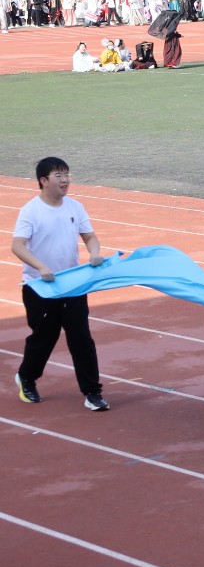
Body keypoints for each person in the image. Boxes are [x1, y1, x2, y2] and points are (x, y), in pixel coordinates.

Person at [12, 157, 109, 410]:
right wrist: (41, 267)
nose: (65, 180)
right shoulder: (31, 210)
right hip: (40, 287)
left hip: (72, 285)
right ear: (43, 181)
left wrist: (94, 253)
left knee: (81, 338)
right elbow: (18, 246)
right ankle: (27, 377)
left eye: (67, 174)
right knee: (44, 338)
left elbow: (90, 237)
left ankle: (92, 393)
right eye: (59, 175)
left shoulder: (75, 207)